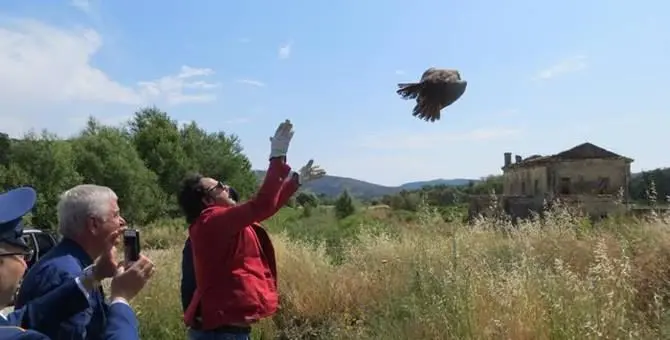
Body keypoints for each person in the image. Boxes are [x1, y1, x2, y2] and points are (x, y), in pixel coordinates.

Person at [179, 120, 326, 340]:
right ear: (206, 199)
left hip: (228, 332)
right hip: (219, 335)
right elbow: (261, 205)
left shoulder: (219, 224)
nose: (226, 187)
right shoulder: (210, 222)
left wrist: (295, 181)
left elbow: (266, 208)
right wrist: (277, 156)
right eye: (219, 186)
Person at [0, 186, 152, 340]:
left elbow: (29, 315)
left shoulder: (73, 265)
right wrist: (121, 298)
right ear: (93, 224)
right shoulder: (64, 272)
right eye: (116, 214)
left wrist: (95, 274)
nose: (122, 221)